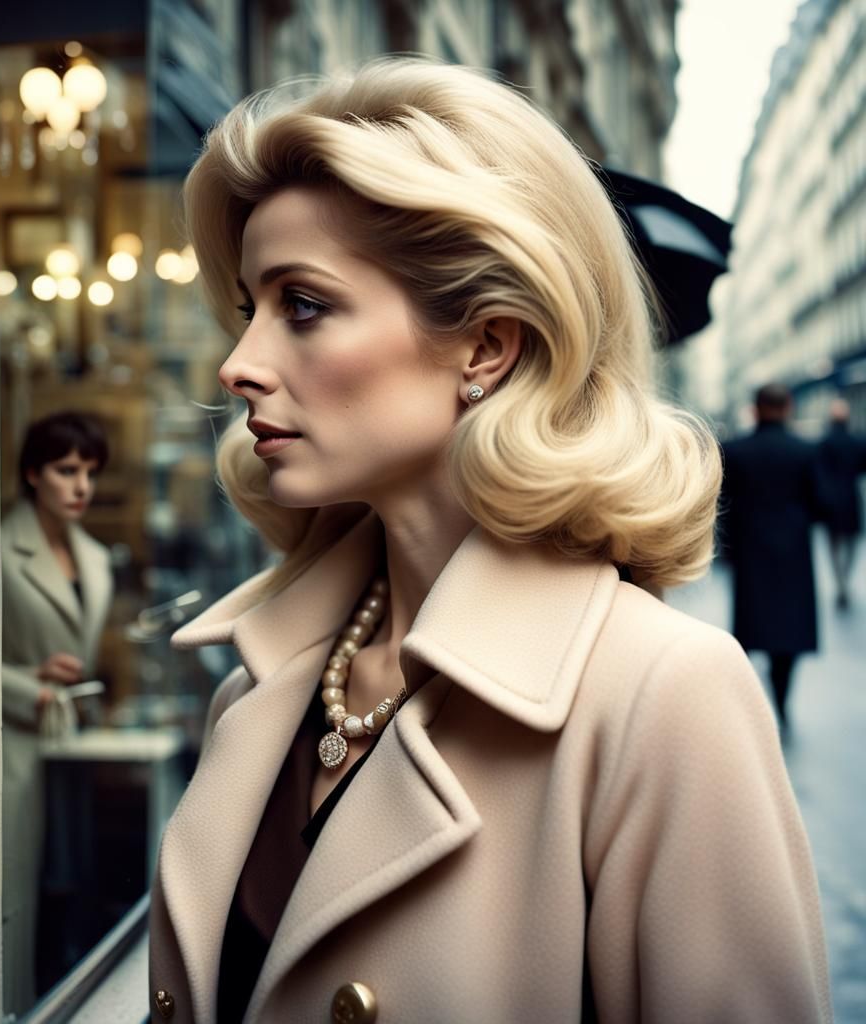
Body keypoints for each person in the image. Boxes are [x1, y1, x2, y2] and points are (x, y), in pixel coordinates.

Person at [149, 60, 831, 1023]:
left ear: (485, 346)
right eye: (247, 310)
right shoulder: (256, 688)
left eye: (302, 305)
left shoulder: (661, 698)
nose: (239, 364)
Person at [1, 411, 112, 1015]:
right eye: (66, 471)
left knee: (77, 888)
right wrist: (31, 686)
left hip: (76, 747)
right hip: (14, 747)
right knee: (22, 897)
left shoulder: (93, 556)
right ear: (31, 474)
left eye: (89, 473)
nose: (81, 487)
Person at [719, 383, 825, 732]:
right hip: (793, 554)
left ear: (756, 408)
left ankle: (746, 703)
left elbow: (723, 505)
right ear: (788, 406)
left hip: (750, 553)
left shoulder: (735, 451)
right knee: (788, 631)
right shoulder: (805, 451)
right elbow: (820, 503)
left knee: (749, 628)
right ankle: (781, 697)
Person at [818, 397, 866, 609]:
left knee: (834, 544)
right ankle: (845, 579)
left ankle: (840, 583)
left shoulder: (824, 443)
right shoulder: (857, 441)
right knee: (852, 543)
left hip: (831, 501)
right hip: (851, 498)